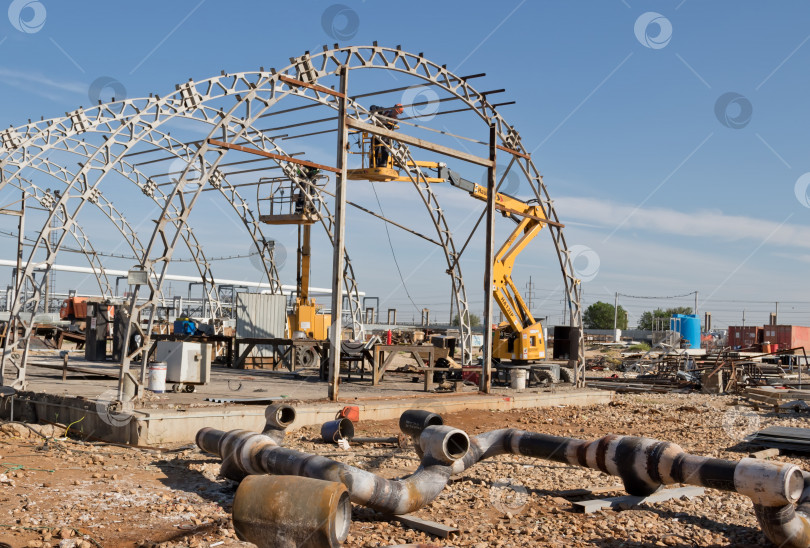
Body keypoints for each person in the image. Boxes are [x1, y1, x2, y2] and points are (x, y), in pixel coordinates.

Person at [370, 103, 403, 168]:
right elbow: (373, 106)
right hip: (377, 132)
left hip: (385, 135)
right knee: (374, 145)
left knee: (385, 147)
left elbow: (390, 128)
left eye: (397, 112)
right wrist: (374, 111)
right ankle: (373, 163)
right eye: (395, 111)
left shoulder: (395, 120)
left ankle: (383, 163)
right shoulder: (385, 111)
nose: (395, 113)